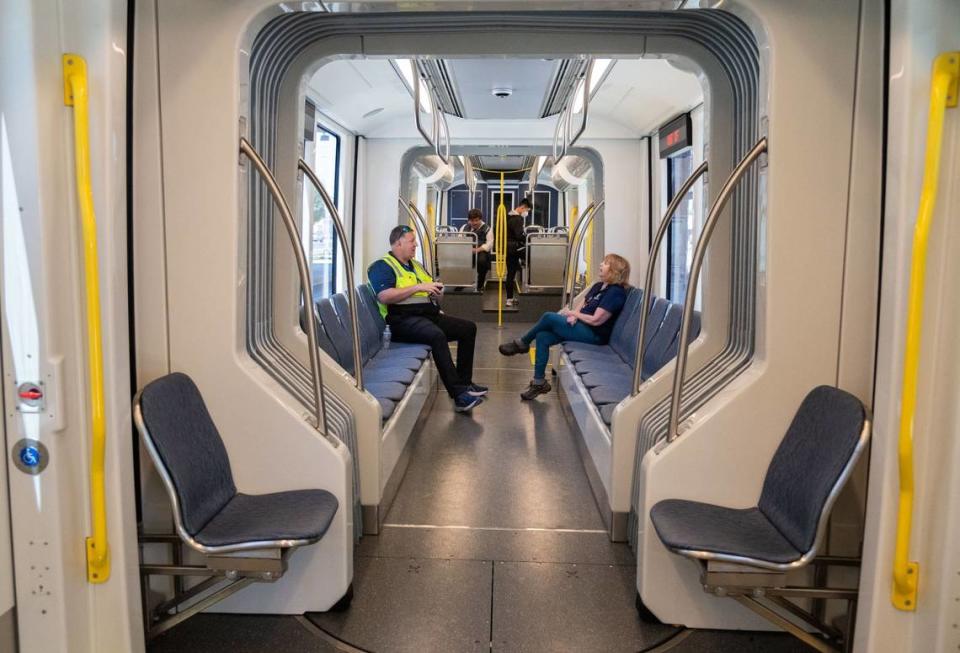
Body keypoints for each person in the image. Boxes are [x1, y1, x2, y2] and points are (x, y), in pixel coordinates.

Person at [368, 225, 487, 412]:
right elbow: (384, 296)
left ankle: (465, 383)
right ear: (398, 243)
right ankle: (458, 396)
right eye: (411, 241)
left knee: (468, 328)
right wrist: (418, 287)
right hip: (401, 320)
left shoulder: (416, 265)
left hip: (427, 314)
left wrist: (438, 294)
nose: (415, 245)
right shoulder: (382, 266)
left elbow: (430, 289)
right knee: (436, 335)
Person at [498, 253, 631, 400]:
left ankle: (523, 343)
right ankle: (539, 382)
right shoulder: (599, 286)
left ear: (614, 271)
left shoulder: (615, 293)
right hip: (581, 326)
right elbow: (584, 304)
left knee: (549, 317)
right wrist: (574, 315)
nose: (601, 265)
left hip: (594, 334)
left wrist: (573, 313)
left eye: (605, 264)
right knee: (543, 337)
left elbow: (596, 320)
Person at [503, 197, 530, 306]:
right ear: (522, 207)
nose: (527, 213)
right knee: (533, 259)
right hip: (515, 248)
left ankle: (509, 299)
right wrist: (528, 238)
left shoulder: (508, 216)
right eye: (527, 210)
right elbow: (519, 235)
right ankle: (531, 284)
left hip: (509, 248)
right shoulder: (517, 219)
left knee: (511, 273)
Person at [460, 208, 492, 291]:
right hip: (466, 251)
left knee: (482, 261)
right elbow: (459, 240)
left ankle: (480, 285)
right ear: (469, 220)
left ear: (480, 219)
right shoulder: (464, 228)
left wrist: (476, 250)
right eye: (471, 220)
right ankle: (461, 282)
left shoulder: (487, 229)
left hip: (481, 251)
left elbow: (489, 244)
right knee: (458, 260)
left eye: (476, 220)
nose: (474, 223)